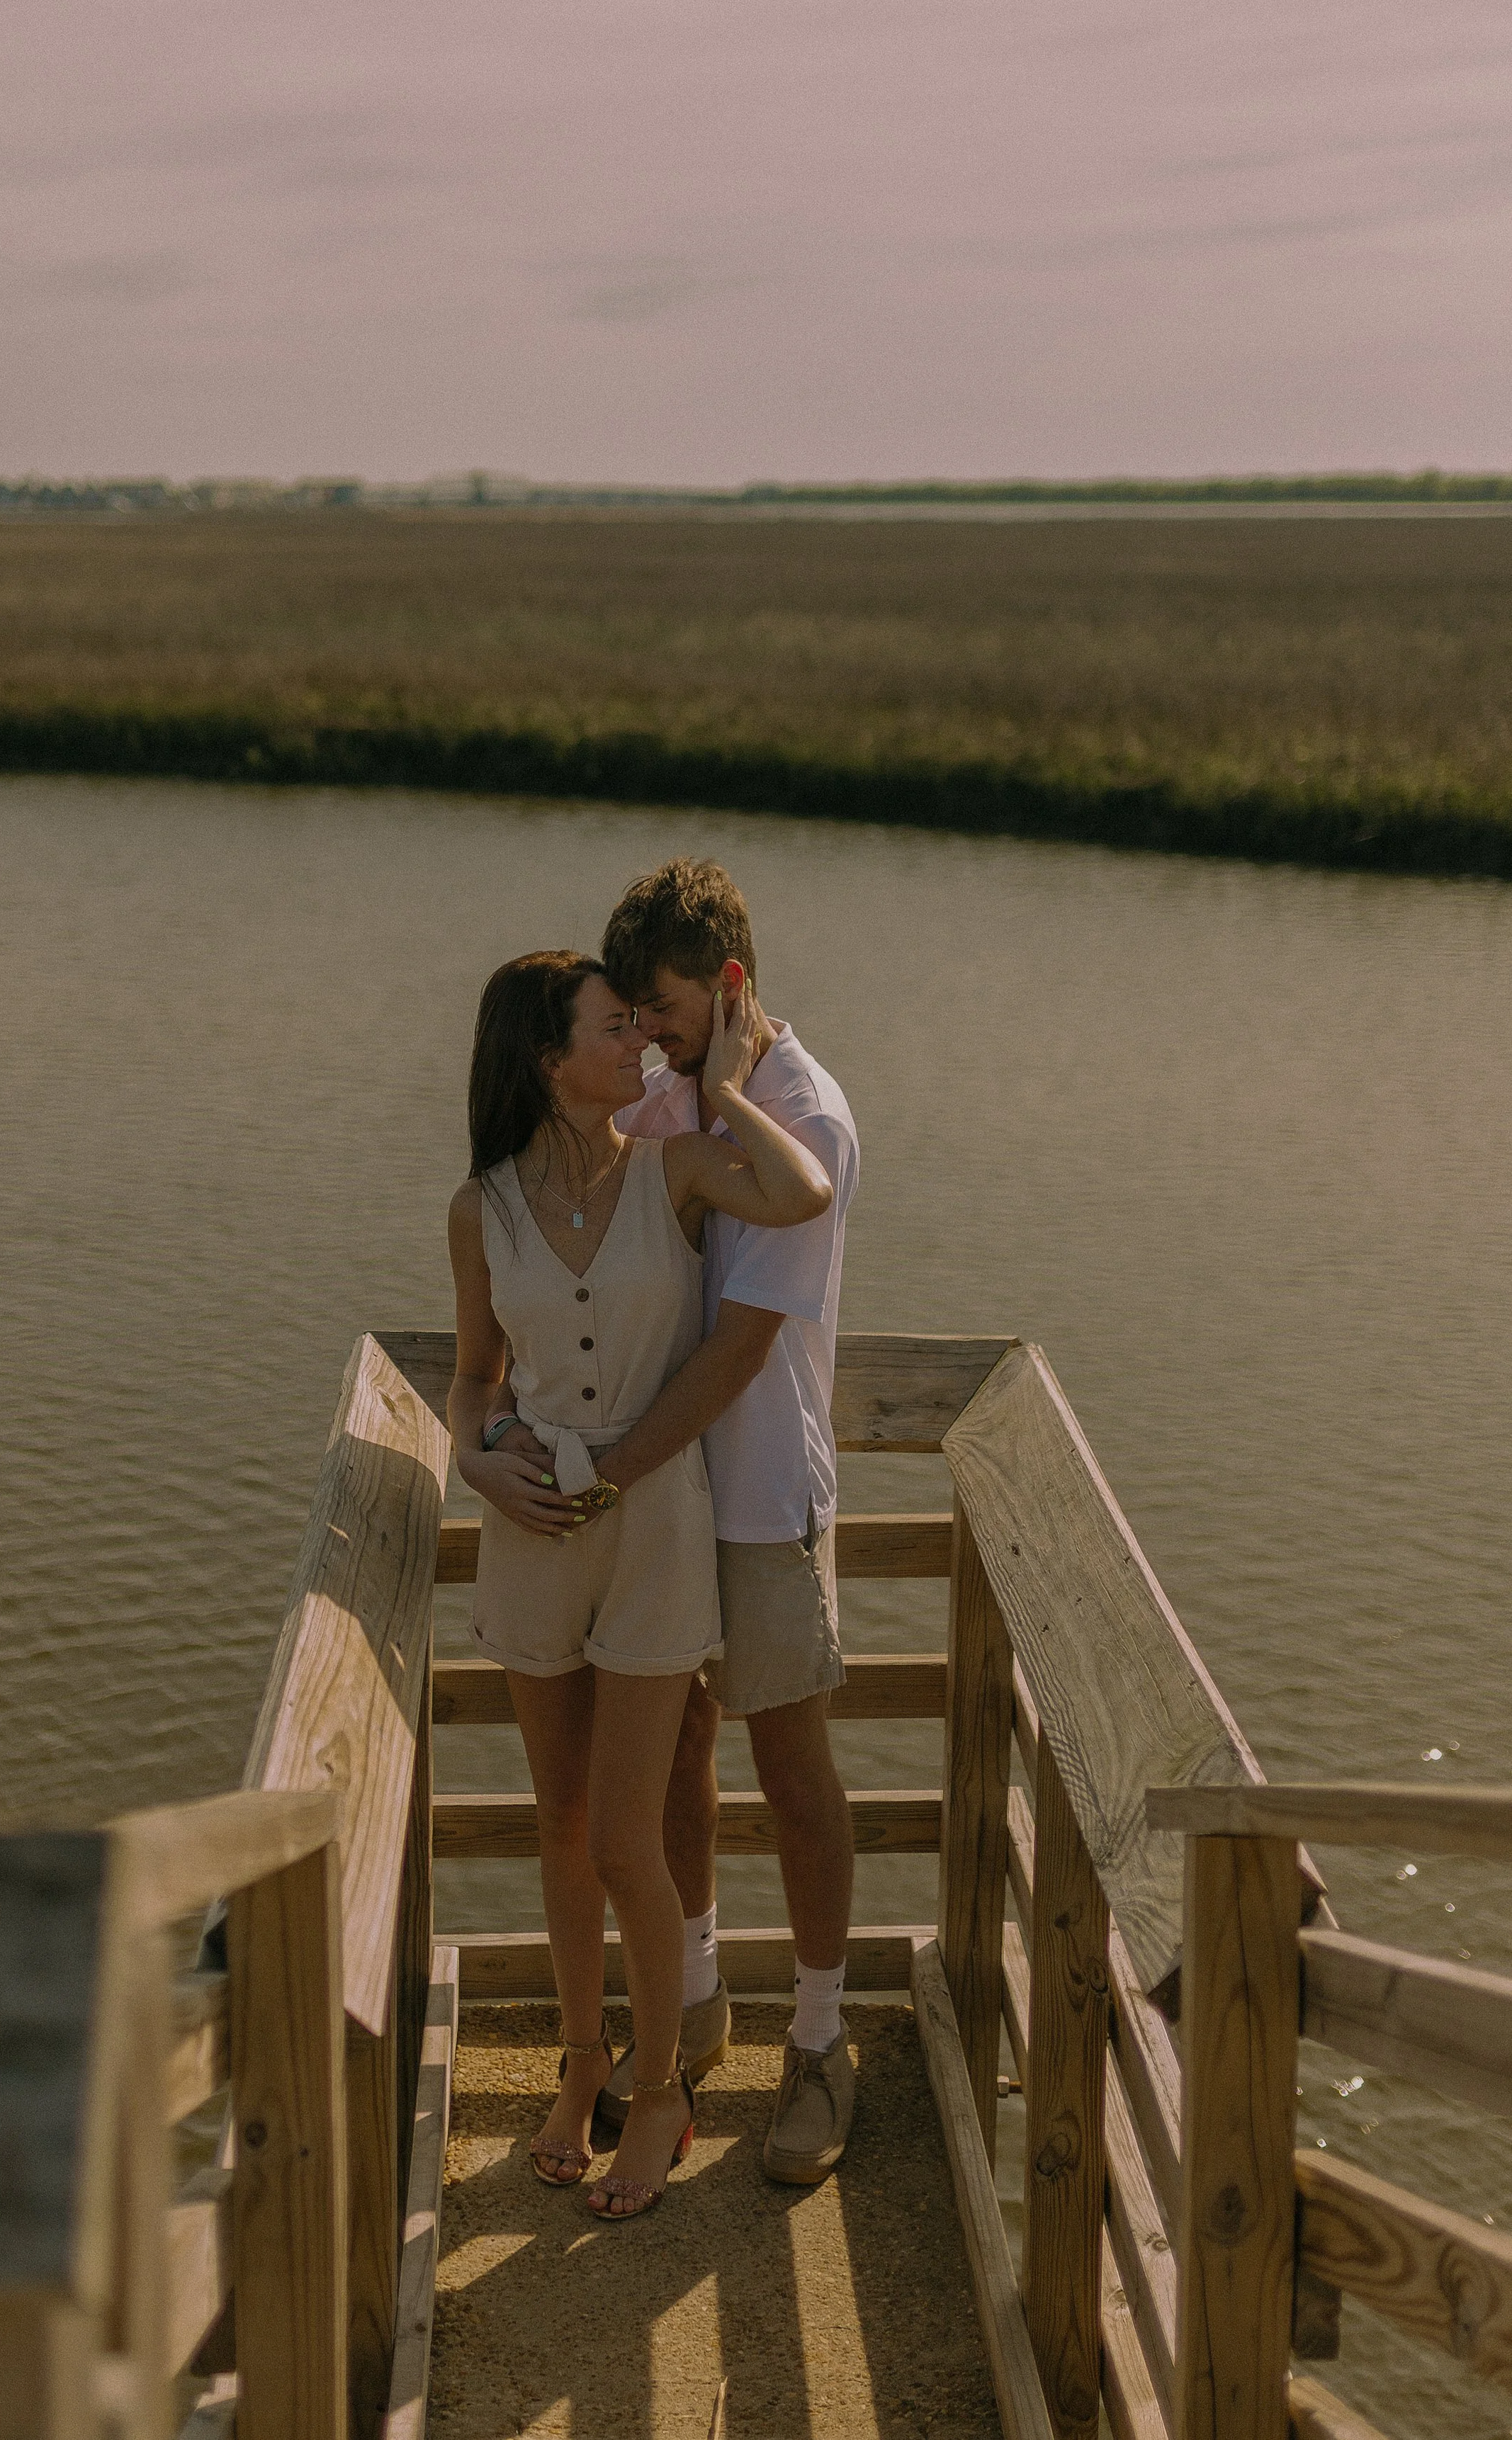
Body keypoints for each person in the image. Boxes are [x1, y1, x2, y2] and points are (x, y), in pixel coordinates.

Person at [447, 949, 833, 2221]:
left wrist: (722, 1079)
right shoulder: (480, 1207)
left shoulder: (678, 1164)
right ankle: (585, 2061)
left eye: (642, 1026)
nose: (642, 1047)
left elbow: (803, 1184)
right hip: (532, 1529)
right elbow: (473, 1374)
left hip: (658, 1528)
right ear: (546, 1061)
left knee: (627, 1835)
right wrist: (475, 1456)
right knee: (561, 1831)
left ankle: (662, 2087)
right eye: (616, 1032)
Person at [591, 858, 862, 2186]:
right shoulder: (660, 1096)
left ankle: (820, 2045)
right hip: (670, 1491)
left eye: (665, 1007)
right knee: (679, 1735)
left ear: (732, 985)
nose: (646, 1031)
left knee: (792, 1766)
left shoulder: (802, 1109)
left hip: (754, 1490)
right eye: (631, 1013)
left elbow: (744, 1348)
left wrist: (613, 1465)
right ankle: (692, 2003)